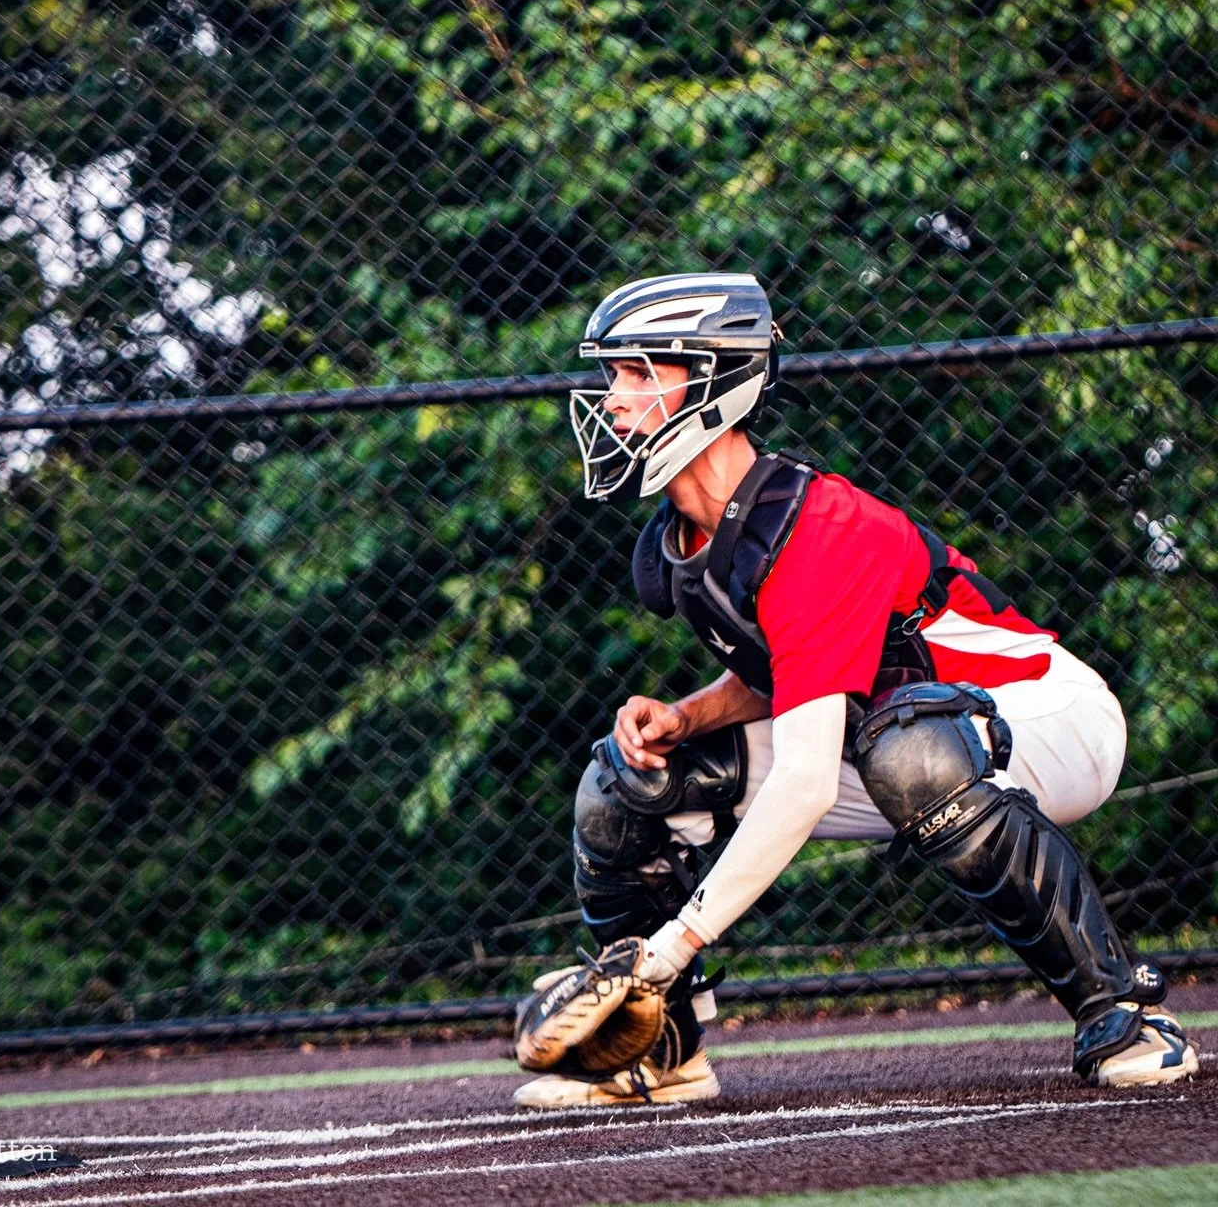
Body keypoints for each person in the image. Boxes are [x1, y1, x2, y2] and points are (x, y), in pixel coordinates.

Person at [513, 271, 1198, 1108]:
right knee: (628, 784)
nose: (615, 399)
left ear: (716, 381)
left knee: (909, 750)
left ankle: (1125, 1014)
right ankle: (662, 1049)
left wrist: (666, 949)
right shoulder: (689, 537)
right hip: (897, 737)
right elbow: (790, 674)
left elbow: (805, 780)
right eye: (614, 374)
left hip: (1052, 718)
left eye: (640, 372)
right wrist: (686, 718)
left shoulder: (818, 530)